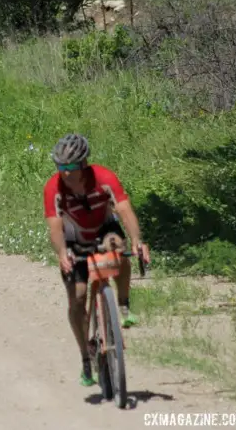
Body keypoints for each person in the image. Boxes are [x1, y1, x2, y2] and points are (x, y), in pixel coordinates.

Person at [43, 133, 151, 387]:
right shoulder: (53, 188)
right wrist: (61, 254)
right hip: (73, 236)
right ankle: (84, 356)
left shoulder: (104, 177)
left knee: (119, 248)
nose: (66, 172)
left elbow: (124, 209)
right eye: (61, 166)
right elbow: (55, 227)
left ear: (83, 164)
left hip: (103, 228)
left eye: (71, 166)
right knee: (78, 297)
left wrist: (138, 241)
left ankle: (123, 306)